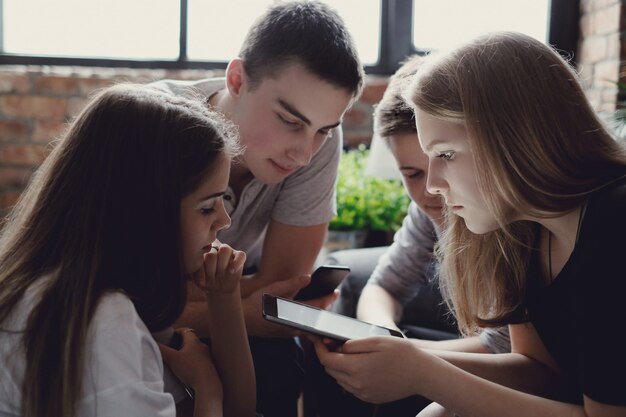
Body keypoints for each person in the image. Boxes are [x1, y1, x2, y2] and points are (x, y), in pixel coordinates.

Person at [315, 31, 626, 417]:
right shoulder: (526, 226)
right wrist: (413, 366)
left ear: (513, 137)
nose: (432, 185)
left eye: (446, 154)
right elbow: (541, 372)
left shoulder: (614, 227)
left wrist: (424, 373)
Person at [152, 2, 364, 416]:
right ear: (237, 79)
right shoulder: (156, 126)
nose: (305, 154)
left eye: (324, 130)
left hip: (195, 315)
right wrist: (243, 311)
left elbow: (284, 282)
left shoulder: (316, 146)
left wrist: (217, 299)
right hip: (109, 313)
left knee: (282, 364)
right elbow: (124, 295)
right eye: (289, 120)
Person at [0, 84, 256, 417]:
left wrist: (224, 297)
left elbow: (242, 410)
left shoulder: (96, 287)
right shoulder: (102, 322)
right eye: (207, 207)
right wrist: (207, 388)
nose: (224, 221)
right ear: (144, 212)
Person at [310, 55, 509, 417]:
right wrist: (383, 337)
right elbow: (384, 285)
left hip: (508, 361)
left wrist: (405, 360)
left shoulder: (505, 221)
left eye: (447, 157)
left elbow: (506, 350)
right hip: (479, 345)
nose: (433, 188)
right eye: (412, 174)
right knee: (344, 360)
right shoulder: (426, 211)